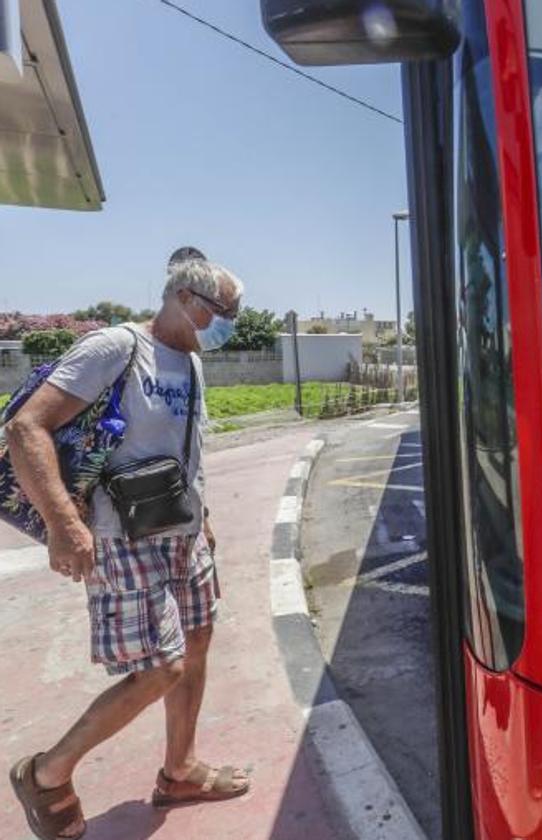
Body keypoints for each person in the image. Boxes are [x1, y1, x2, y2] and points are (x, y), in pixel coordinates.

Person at [6, 251, 247, 839]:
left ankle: (181, 770)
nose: (229, 326)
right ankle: (46, 773)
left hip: (183, 533)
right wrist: (64, 525)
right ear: (186, 301)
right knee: (160, 668)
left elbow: (178, 446)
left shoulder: (189, 363)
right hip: (121, 537)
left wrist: (203, 514)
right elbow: (25, 427)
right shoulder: (116, 348)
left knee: (196, 642)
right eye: (225, 313)